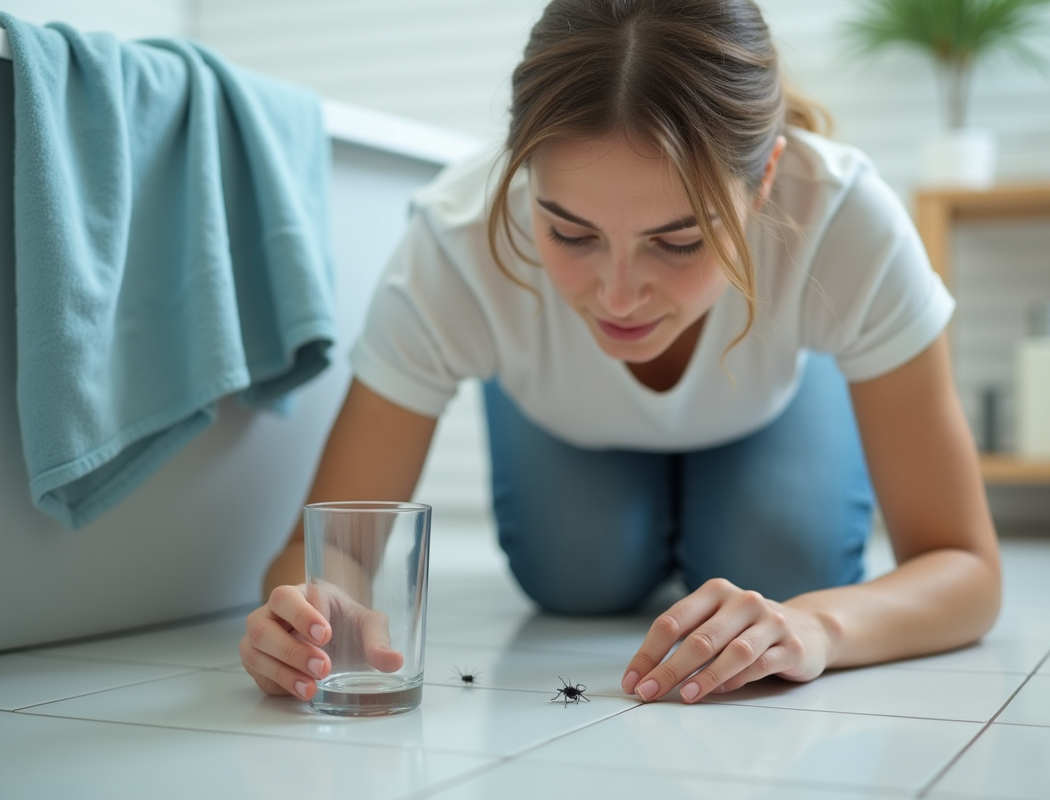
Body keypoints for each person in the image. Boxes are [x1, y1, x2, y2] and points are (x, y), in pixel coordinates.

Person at [240, 0, 1001, 706]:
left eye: (680, 240)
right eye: (570, 234)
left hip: (768, 410)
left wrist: (818, 628)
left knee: (784, 571)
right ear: (523, 171)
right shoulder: (455, 236)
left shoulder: (842, 218)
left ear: (765, 178)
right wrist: (306, 621)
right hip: (568, 439)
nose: (618, 297)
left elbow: (966, 569)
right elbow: (319, 557)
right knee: (579, 572)